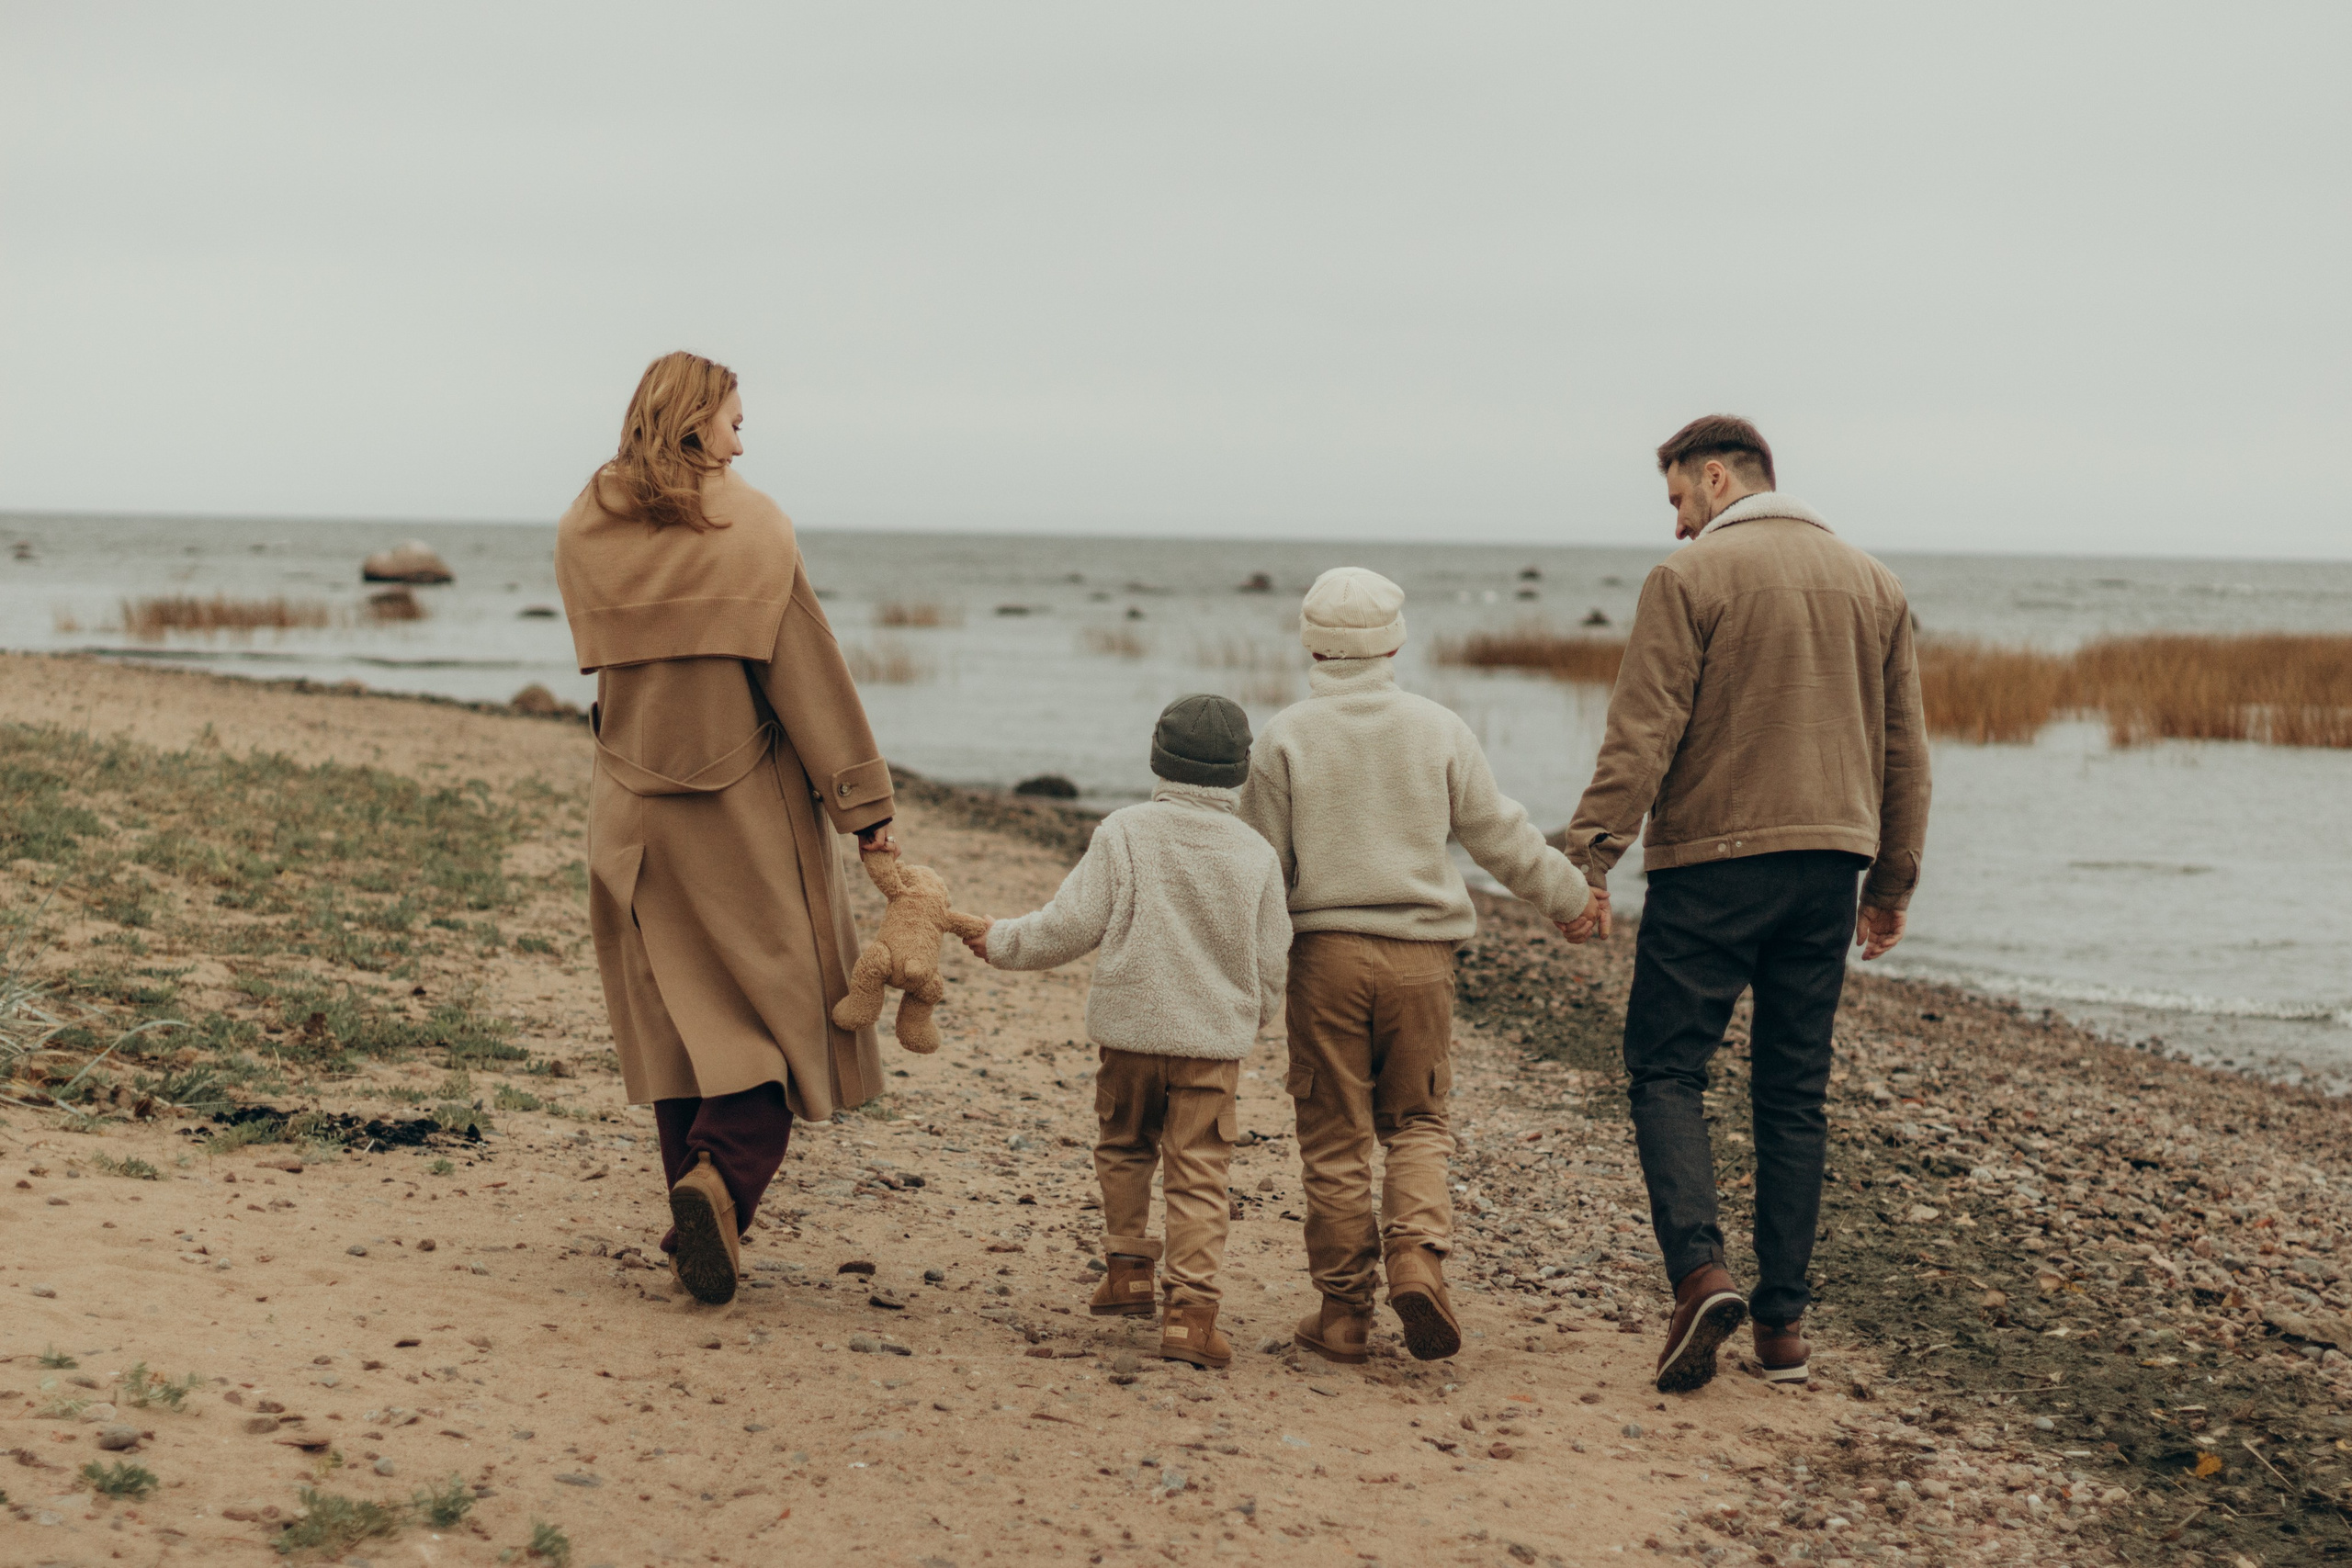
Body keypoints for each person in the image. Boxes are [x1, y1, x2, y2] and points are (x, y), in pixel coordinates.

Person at [1560, 415, 1929, 1393]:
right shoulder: (1876, 584)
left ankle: (1700, 1276)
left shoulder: (1687, 581)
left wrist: (1585, 861)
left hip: (1712, 865)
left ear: (1717, 478)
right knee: (1791, 1092)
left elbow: (1641, 732)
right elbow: (1905, 753)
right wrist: (1890, 883)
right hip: (1827, 872)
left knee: (1667, 1068)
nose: (1677, 524)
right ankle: (1782, 1332)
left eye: (1679, 499)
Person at [554, 350, 898, 1308]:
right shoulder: (750, 526)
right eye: (736, 423)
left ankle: (700, 1219)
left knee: (675, 1019)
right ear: (698, 423)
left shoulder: (585, 527)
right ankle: (718, 1183)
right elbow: (809, 677)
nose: (743, 442)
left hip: (628, 810)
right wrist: (864, 809)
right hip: (740, 808)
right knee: (780, 1012)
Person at [1239, 569, 1596, 1364]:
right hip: (1421, 961)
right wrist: (1570, 898)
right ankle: (1417, 1260)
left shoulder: (1283, 736)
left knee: (1334, 1137)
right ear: (1396, 643)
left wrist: (1247, 975)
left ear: (1312, 644)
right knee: (1419, 1122)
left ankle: (1341, 1316)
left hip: (1324, 958)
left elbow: (1260, 868)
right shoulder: (1438, 728)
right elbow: (1499, 835)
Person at [961, 694, 1290, 1370]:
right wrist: (1249, 1017)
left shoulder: (1125, 831)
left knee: (1124, 1145)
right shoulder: (1255, 852)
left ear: (1157, 758)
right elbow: (1271, 959)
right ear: (1240, 771)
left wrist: (999, 941)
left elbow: (1068, 925)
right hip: (1210, 1047)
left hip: (1130, 1036)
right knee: (1200, 1172)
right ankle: (1191, 1316)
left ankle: (1129, 1271)